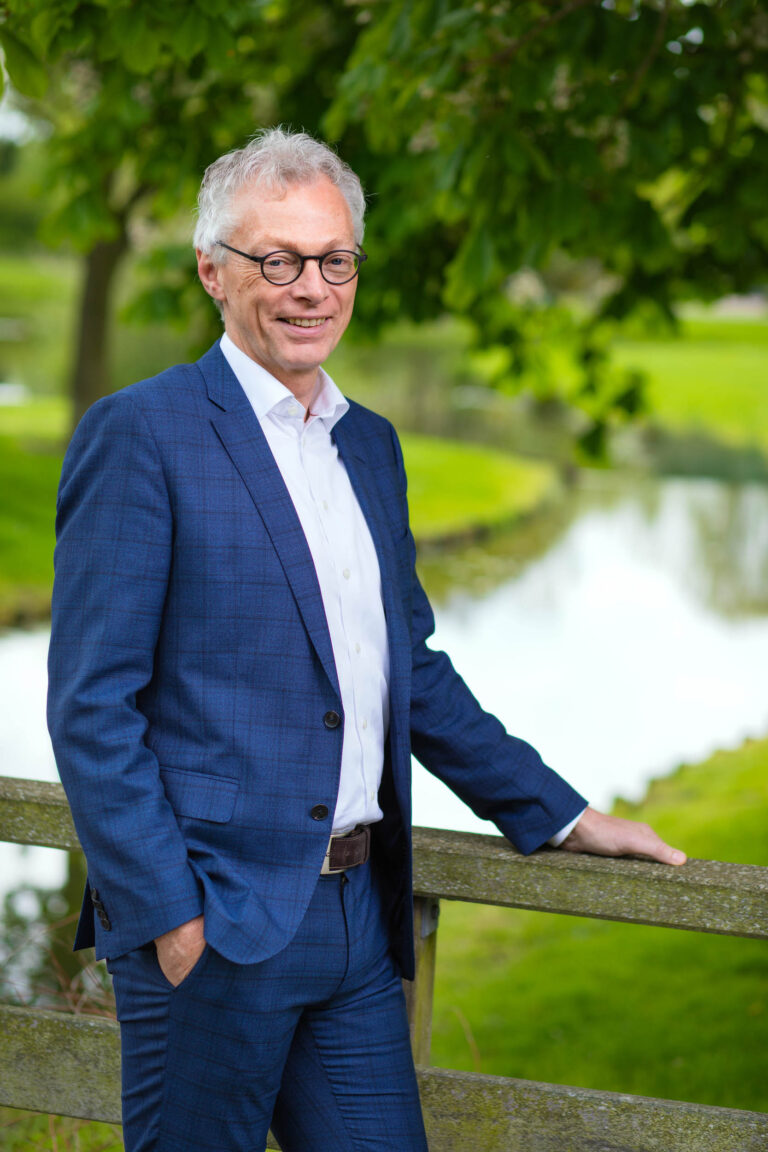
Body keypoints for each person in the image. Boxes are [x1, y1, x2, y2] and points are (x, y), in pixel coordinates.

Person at [47, 127, 686, 1152]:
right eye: (279, 260)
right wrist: (171, 917)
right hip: (213, 929)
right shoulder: (144, 436)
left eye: (334, 259)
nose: (311, 287)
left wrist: (561, 815)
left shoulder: (371, 445)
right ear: (213, 271)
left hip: (356, 926)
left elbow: (410, 675)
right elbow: (90, 708)